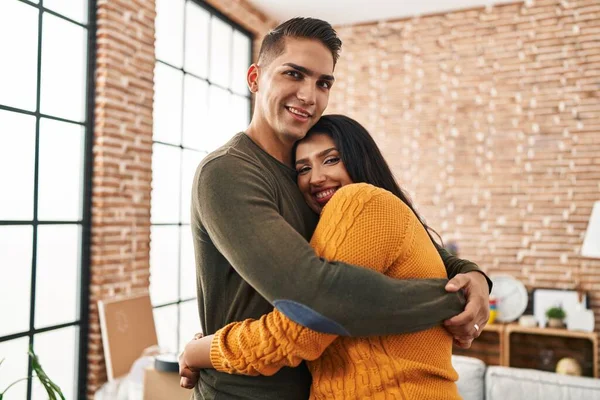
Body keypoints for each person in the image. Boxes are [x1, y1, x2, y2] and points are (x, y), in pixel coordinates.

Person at [180, 17, 491, 400]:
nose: (309, 95)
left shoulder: (315, 184)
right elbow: (316, 297)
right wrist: (451, 299)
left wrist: (472, 276)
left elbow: (402, 243)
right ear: (255, 78)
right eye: (294, 74)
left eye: (323, 82)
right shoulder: (228, 171)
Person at [183, 114, 468, 398]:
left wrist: (201, 351)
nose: (317, 178)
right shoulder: (350, 219)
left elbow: (299, 331)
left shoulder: (360, 201)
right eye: (303, 168)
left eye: (331, 160)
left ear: (360, 158)